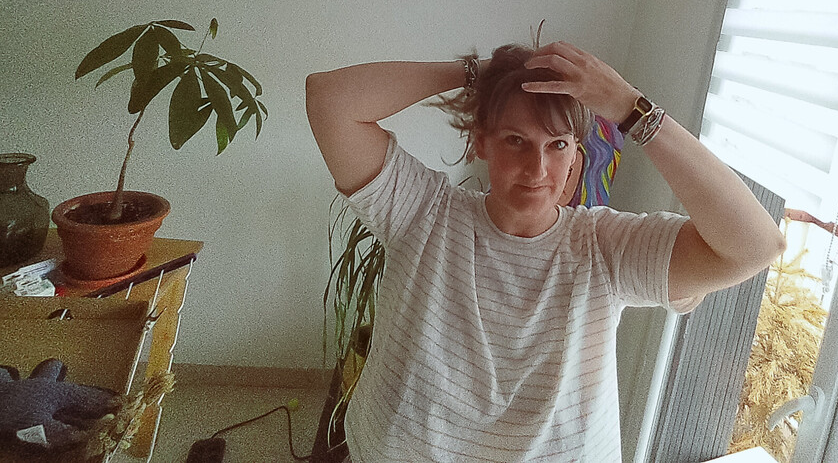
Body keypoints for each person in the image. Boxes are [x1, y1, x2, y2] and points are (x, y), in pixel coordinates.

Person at [306, 38, 785, 462]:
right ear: (481, 143)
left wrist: (630, 108)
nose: (537, 168)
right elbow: (328, 99)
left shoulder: (604, 247)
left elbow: (756, 245)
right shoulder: (424, 212)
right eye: (516, 140)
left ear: (576, 155)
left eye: (557, 145)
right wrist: (485, 73)